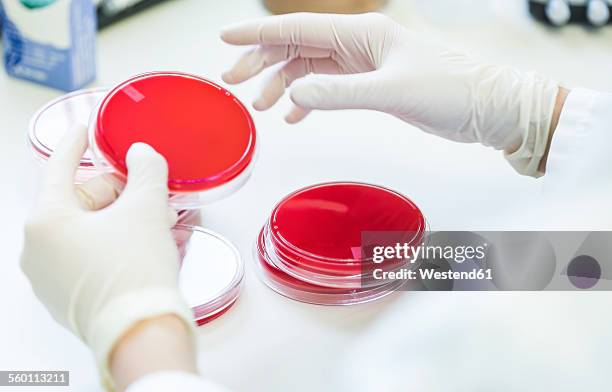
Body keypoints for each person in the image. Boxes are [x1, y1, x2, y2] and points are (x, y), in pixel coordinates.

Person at [20, 12, 612, 391]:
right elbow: (593, 262)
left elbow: (567, 309)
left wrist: (138, 336)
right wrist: (546, 118)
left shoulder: (519, 345)